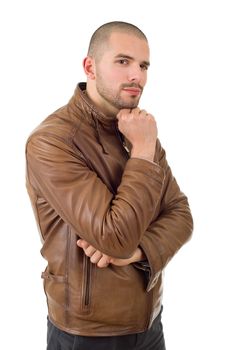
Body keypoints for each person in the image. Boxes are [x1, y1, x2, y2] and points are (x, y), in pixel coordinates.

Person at [25, 21, 193, 350]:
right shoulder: (53, 141)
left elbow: (181, 214)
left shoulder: (136, 129)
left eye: (143, 65)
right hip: (88, 333)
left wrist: (138, 251)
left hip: (149, 321)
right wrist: (144, 151)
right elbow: (114, 237)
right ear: (90, 66)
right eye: (123, 62)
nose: (137, 76)